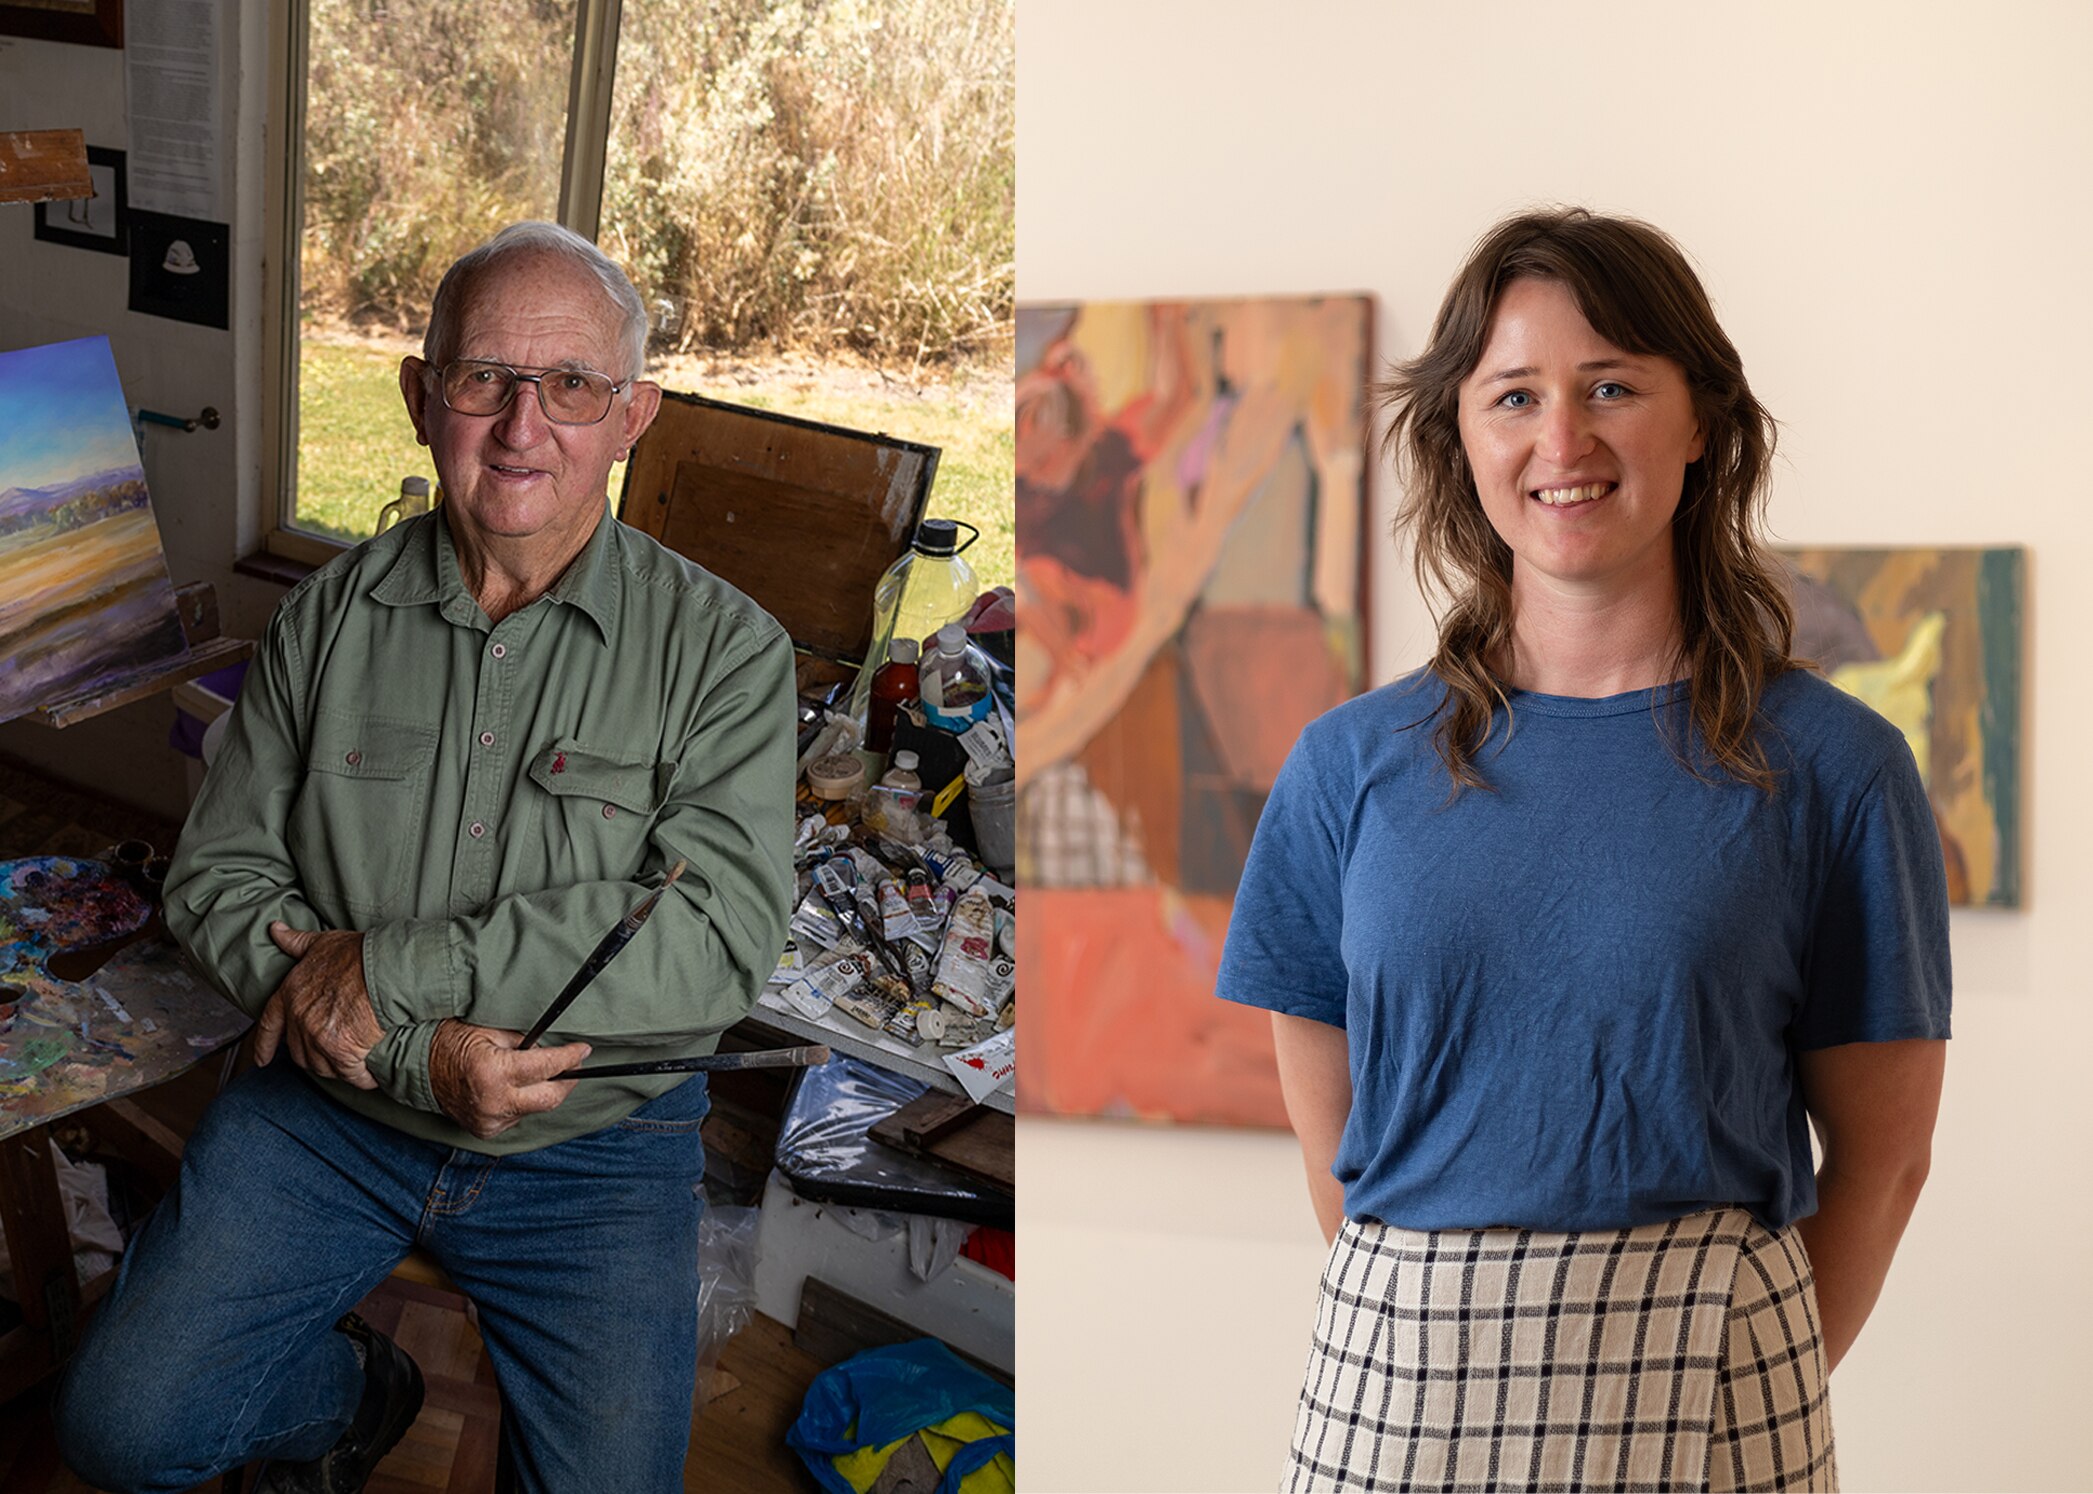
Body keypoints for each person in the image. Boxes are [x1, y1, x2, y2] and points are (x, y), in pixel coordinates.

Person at [54, 222, 796, 1492]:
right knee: (120, 1430)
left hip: (594, 1142)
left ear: (633, 418)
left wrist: (390, 973)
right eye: (482, 380)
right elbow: (220, 883)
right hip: (328, 1111)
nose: (522, 427)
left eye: (569, 386)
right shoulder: (326, 616)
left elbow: (715, 942)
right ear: (417, 398)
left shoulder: (726, 652)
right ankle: (354, 1389)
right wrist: (408, 1054)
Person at [1216, 209, 1949, 1493]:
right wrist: (1436, 1323)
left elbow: (1883, 1165)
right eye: (1513, 396)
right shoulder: (1345, 767)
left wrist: (1744, 1365)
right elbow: (1334, 1154)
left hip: (1716, 1374)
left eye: (1612, 385)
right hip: (1398, 1381)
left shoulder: (1835, 768)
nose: (1563, 440)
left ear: (1701, 420)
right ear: (1460, 434)